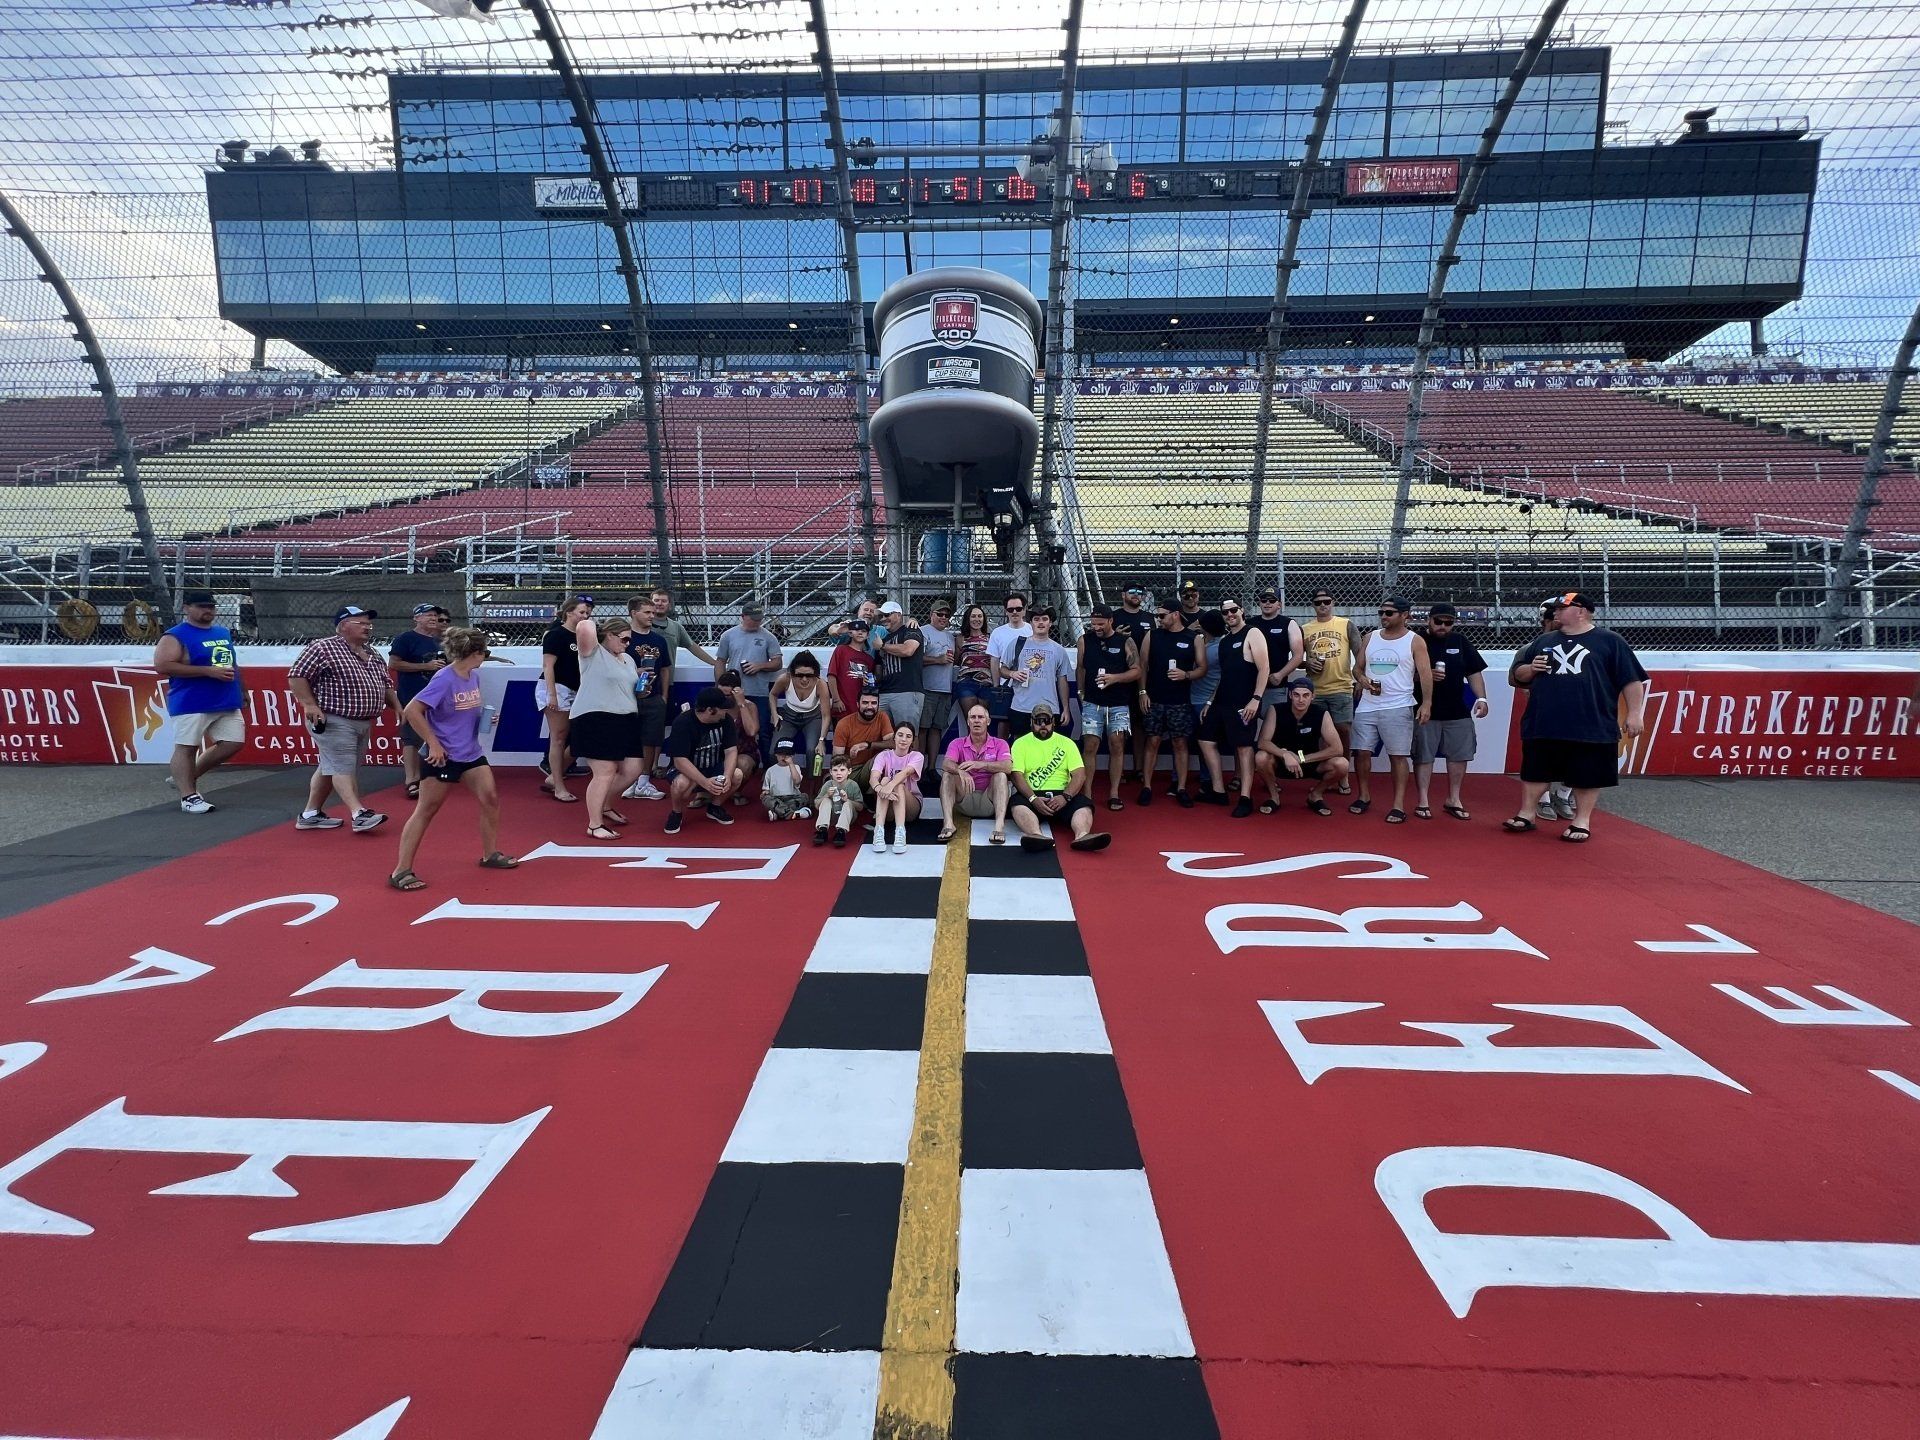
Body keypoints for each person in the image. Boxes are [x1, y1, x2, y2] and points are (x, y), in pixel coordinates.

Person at [1504, 592, 1648, 843]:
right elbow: (1518, 675)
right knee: (1535, 770)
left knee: (1587, 773)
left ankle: (1581, 821)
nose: (1556, 612)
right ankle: (1526, 814)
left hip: (1591, 721)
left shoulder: (1610, 641)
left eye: (1563, 607)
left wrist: (1635, 713)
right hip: (1544, 720)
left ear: (1581, 611)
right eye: (1556, 608)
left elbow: (1631, 680)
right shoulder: (1544, 640)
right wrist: (1531, 668)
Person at [389, 626, 517, 889]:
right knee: (426, 810)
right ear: (475, 653)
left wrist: (484, 719)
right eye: (485, 653)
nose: (485, 658)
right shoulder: (444, 678)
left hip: (470, 752)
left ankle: (490, 854)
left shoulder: (472, 676)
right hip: (444, 755)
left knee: (490, 799)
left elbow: (462, 711)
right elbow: (413, 711)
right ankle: (401, 871)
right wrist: (434, 744)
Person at [288, 605, 401, 833]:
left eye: (369, 623)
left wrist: (398, 707)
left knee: (332, 766)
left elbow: (386, 684)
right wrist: (309, 704)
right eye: (361, 623)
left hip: (363, 720)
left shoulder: (372, 652)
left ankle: (310, 814)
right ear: (343, 626)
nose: (368, 627)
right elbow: (297, 676)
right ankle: (359, 813)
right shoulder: (323, 647)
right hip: (333, 718)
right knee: (342, 767)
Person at [154, 589, 244, 814]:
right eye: (202, 606)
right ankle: (188, 796)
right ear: (187, 608)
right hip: (191, 701)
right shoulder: (175, 635)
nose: (208, 610)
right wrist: (207, 671)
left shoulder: (222, 632)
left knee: (233, 742)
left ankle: (186, 777)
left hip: (225, 699)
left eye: (211, 606)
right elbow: (163, 665)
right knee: (187, 747)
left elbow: (232, 662)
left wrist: (243, 689)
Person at [1350, 596, 1432, 824]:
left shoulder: (1415, 641)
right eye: (1381, 612)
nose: (1383, 617)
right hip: (1368, 704)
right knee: (1361, 752)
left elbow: (1425, 674)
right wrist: (1362, 680)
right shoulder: (1370, 637)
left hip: (1399, 705)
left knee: (1398, 756)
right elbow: (1357, 668)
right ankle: (1363, 796)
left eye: (1389, 613)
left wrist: (1426, 703)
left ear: (1404, 615)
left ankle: (1398, 805)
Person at [1413, 601, 1490, 821]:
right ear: (1428, 620)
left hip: (1457, 709)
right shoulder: (1416, 640)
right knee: (1423, 755)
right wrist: (1424, 675)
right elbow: (1403, 674)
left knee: (1459, 755)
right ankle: (1423, 800)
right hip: (1424, 708)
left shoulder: (1460, 641)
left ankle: (1454, 799)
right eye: (1438, 621)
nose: (1443, 626)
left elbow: (1473, 672)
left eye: (1448, 623)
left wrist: (1482, 698)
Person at [569, 615, 642, 841]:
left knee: (633, 769)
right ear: (608, 635)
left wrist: (643, 688)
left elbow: (627, 688)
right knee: (605, 771)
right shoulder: (592, 652)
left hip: (626, 717)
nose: (627, 644)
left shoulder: (628, 659)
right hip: (595, 716)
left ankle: (605, 805)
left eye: (630, 640)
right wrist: (592, 618)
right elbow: (584, 626)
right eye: (624, 639)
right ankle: (594, 824)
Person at [1197, 598, 1269, 817]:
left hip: (1244, 702)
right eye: (1225, 612)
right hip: (1221, 701)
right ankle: (1218, 791)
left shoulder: (1253, 633)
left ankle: (1245, 798)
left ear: (1242, 610)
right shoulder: (1225, 641)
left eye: (1233, 610)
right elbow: (1224, 675)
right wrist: (1210, 701)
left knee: (1244, 747)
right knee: (1205, 739)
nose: (1230, 614)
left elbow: (1264, 668)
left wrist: (1256, 699)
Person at [1007, 701, 1110, 853]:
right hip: (1033, 795)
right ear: (1031, 722)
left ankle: (1082, 836)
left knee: (1084, 804)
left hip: (1062, 794)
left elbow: (1080, 775)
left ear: (1053, 722)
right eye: (1038, 721)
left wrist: (1065, 797)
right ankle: (1036, 836)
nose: (1043, 725)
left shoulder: (1067, 743)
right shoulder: (1020, 743)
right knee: (1017, 804)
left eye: (1047, 721)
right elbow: (1016, 776)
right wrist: (1033, 799)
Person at [1255, 673, 1352, 816]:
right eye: (1296, 695)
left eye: (1306, 695)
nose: (1301, 700)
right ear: (1290, 695)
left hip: (1309, 762)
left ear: (1313, 696)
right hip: (1282, 762)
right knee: (1261, 757)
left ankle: (1316, 795)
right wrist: (1285, 754)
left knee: (1342, 764)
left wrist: (1301, 759)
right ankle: (1274, 797)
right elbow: (1263, 742)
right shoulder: (1275, 710)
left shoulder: (1321, 713)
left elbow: (1337, 749)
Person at [1136, 600, 1202, 808]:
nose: (1159, 619)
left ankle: (1181, 788)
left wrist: (1186, 675)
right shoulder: (1152, 635)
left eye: (1162, 615)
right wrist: (1142, 692)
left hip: (1180, 700)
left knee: (1180, 743)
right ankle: (1147, 787)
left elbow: (1202, 668)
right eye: (1157, 616)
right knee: (1152, 741)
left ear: (1175, 614)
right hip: (1154, 698)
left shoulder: (1193, 638)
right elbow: (1142, 665)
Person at [1076, 604, 1140, 811]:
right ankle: (1087, 793)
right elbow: (1081, 668)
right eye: (1093, 624)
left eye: (1101, 624)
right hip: (1092, 702)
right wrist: (1080, 691)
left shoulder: (1125, 641)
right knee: (1090, 746)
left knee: (1117, 745)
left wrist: (1115, 678)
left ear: (1111, 621)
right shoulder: (1084, 640)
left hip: (1119, 703)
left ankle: (1114, 793)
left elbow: (1137, 671)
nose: (1096, 628)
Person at [1301, 588, 1361, 794]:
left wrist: (1359, 680)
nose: (1323, 605)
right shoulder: (1305, 629)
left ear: (1333, 602)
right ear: (1313, 605)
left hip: (1341, 686)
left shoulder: (1346, 624)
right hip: (1315, 690)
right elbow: (1296, 659)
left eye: (1326, 601)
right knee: (1320, 735)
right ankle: (1327, 774)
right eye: (1318, 602)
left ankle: (1343, 775)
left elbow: (1360, 655)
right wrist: (1306, 663)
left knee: (1343, 731)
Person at [388, 602, 449, 800]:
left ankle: (431, 776)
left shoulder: (441, 641)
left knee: (437, 735)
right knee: (411, 738)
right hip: (412, 697)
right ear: (416, 618)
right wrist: (425, 666)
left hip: (438, 698)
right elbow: (394, 664)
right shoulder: (405, 638)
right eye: (428, 614)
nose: (433, 618)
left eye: (435, 615)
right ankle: (412, 780)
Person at [538, 594, 594, 803]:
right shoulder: (556, 635)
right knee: (559, 738)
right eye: (582, 612)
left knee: (582, 735)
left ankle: (554, 777)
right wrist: (552, 694)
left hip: (578, 690)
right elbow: (548, 666)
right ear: (569, 612)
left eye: (588, 613)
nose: (585, 616)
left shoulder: (585, 636)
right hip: (558, 688)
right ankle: (558, 786)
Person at [664, 685, 740, 834]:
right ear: (710, 710)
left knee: (736, 775)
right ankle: (676, 813)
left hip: (713, 766)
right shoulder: (683, 722)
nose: (725, 712)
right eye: (722, 708)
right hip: (687, 769)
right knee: (681, 784)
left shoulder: (726, 720)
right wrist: (704, 782)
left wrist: (727, 775)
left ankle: (715, 807)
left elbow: (731, 751)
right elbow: (680, 760)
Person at [937, 696, 1012, 843]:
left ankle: (999, 827)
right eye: (973, 717)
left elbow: (1008, 767)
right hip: (965, 797)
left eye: (980, 717)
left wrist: (981, 764)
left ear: (988, 721)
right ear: (968, 721)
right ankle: (948, 824)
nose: (977, 720)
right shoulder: (957, 743)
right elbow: (946, 763)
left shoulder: (1000, 743)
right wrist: (960, 771)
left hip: (989, 799)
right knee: (947, 775)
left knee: (1001, 776)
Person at [715, 602, 782, 763]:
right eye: (754, 619)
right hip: (733, 692)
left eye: (759, 619)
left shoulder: (768, 637)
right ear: (743, 616)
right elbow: (720, 661)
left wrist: (760, 666)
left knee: (764, 731)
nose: (757, 622)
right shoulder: (728, 635)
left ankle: (767, 769)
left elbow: (777, 662)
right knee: (729, 728)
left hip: (759, 691)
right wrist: (719, 686)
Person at [621, 597, 672, 802]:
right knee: (627, 738)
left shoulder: (659, 640)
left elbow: (665, 669)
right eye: (647, 612)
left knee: (651, 740)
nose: (652, 615)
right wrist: (634, 672)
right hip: (626, 697)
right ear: (634, 613)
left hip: (653, 697)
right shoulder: (623, 638)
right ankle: (628, 780)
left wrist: (664, 695)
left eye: (653, 612)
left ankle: (643, 781)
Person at [1531, 598, 1577, 821]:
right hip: (1545, 712)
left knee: (1578, 754)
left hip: (1576, 711)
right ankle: (1543, 798)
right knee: (1544, 756)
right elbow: (1517, 678)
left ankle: (1564, 794)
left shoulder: (1585, 645)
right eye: (1554, 620)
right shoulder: (1536, 647)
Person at [1004, 607, 1074, 739]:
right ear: (1030, 623)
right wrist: (1012, 674)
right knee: (1020, 745)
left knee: (1046, 746)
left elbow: (1062, 681)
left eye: (1044, 619)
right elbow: (1002, 669)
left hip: (1049, 708)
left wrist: (1066, 708)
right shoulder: (1017, 644)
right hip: (1021, 707)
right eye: (1036, 619)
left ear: (1050, 623)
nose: (1040, 622)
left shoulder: (1059, 650)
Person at [1112, 584, 1155, 784]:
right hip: (1120, 678)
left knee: (1139, 726)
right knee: (1119, 728)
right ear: (1123, 595)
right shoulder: (1114, 617)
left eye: (1140, 593)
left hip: (1143, 678)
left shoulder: (1149, 618)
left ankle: (1139, 769)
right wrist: (1115, 635)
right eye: (1132, 592)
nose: (1136, 595)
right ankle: (1118, 771)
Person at [1188, 609, 1229, 803]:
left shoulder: (1213, 648)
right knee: (1204, 743)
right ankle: (1209, 780)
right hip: (1201, 699)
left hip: (1204, 701)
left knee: (1206, 743)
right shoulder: (1214, 644)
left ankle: (1209, 782)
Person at [769, 649, 830, 776]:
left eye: (809, 675)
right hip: (789, 716)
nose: (804, 679)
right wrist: (774, 714)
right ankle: (776, 779)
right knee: (775, 749)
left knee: (813, 751)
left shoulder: (820, 684)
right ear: (792, 673)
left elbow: (826, 715)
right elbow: (773, 694)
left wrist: (821, 740)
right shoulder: (785, 679)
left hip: (813, 717)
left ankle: (813, 781)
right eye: (799, 675)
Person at [869, 721, 925, 853]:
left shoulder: (917, 756)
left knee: (898, 784)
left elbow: (905, 773)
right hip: (888, 804)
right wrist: (881, 789)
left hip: (911, 806)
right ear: (894, 737)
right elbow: (873, 778)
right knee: (884, 780)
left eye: (908, 736)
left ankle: (900, 832)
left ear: (912, 741)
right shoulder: (884, 755)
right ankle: (879, 831)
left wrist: (889, 786)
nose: (904, 739)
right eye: (900, 735)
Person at [1250, 587, 1306, 717]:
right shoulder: (1250, 624)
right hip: (1250, 685)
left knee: (1274, 722)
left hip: (1275, 687)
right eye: (1264, 600)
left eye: (1272, 600)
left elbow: (1298, 655)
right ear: (1259, 603)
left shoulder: (1289, 624)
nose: (1267, 603)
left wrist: (1280, 675)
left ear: (1279, 604)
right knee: (1246, 723)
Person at [874, 600, 926, 732]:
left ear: (898, 615)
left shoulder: (911, 629)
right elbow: (879, 672)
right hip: (884, 692)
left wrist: (883, 646)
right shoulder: (882, 640)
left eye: (887, 615)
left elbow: (908, 650)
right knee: (883, 735)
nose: (883, 619)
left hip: (907, 691)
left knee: (908, 734)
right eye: (881, 616)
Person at [832, 687, 895, 793]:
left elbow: (893, 744)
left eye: (873, 703)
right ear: (858, 704)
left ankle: (872, 795)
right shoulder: (844, 724)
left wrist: (868, 745)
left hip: (875, 770)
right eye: (865, 703)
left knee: (887, 754)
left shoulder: (882, 717)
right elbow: (837, 760)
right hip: (852, 771)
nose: (869, 707)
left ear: (878, 705)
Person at [713, 670, 762, 795]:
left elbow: (751, 731)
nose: (724, 698)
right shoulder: (713, 706)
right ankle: (705, 793)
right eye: (721, 694)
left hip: (743, 751)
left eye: (728, 695)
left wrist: (741, 704)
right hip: (717, 752)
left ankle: (736, 791)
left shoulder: (750, 706)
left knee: (743, 764)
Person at [920, 599, 957, 761]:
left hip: (945, 690)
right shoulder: (922, 631)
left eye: (946, 615)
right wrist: (938, 660)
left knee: (937, 729)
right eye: (940, 614)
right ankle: (919, 768)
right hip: (927, 689)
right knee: (922, 729)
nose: (943, 617)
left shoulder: (950, 636)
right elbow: (915, 659)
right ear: (931, 615)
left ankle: (932, 767)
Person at [649, 587, 716, 671]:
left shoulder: (676, 627)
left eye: (664, 601)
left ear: (670, 605)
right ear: (650, 603)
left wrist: (714, 662)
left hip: (667, 676)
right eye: (656, 600)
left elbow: (692, 647)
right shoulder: (640, 624)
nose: (660, 603)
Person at [952, 604, 996, 718]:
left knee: (983, 720)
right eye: (973, 616)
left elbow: (995, 661)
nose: (977, 619)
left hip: (986, 683)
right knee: (971, 719)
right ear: (968, 619)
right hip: (966, 683)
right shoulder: (960, 638)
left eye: (980, 616)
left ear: (984, 619)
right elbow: (956, 661)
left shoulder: (991, 638)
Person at [827, 618, 878, 716]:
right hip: (843, 704)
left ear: (868, 635)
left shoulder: (869, 659)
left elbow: (870, 684)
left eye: (863, 631)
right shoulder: (841, 650)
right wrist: (836, 699)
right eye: (856, 630)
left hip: (861, 707)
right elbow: (831, 676)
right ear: (850, 633)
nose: (860, 633)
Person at [813, 756, 863, 848]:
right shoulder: (828, 784)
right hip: (831, 817)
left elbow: (860, 807)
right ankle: (822, 830)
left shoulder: (853, 785)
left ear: (849, 771)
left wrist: (847, 800)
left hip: (848, 817)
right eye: (835, 770)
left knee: (848, 803)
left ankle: (841, 832)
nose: (838, 773)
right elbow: (816, 804)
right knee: (826, 800)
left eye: (842, 770)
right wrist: (827, 795)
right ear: (830, 772)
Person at [763, 738, 812, 822]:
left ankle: (779, 813)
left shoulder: (796, 767)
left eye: (787, 754)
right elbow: (766, 789)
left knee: (805, 797)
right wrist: (765, 792)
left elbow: (797, 781)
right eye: (781, 754)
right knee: (766, 799)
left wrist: (791, 764)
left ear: (793, 755)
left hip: (793, 797)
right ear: (776, 754)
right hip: (777, 799)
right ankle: (794, 813)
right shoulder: (770, 770)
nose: (784, 757)